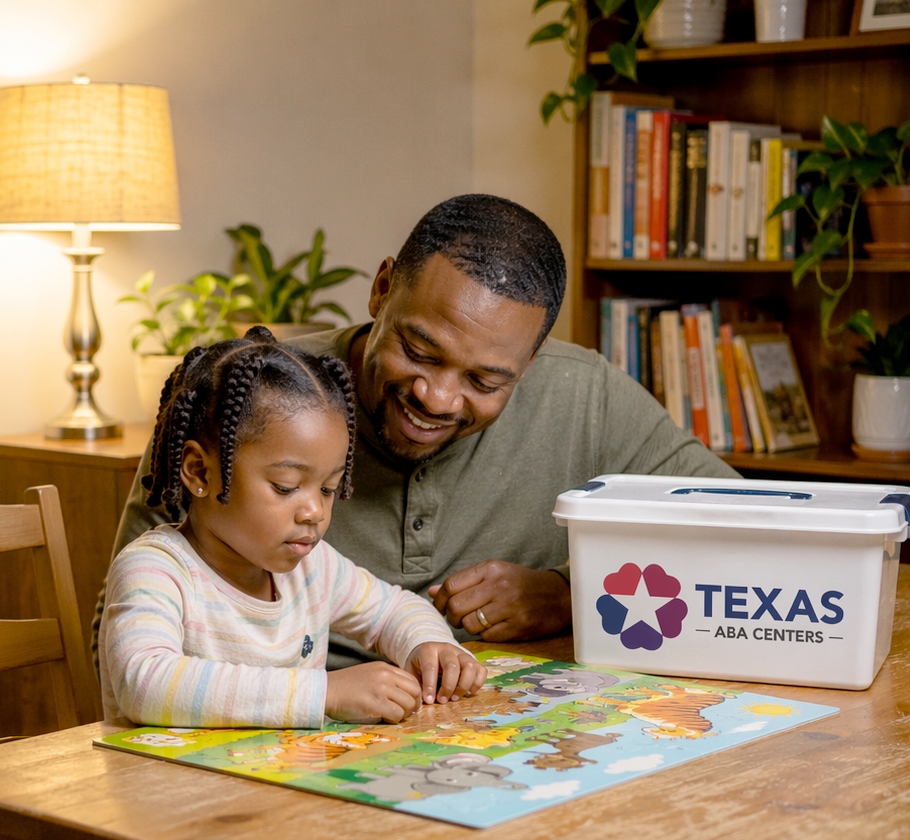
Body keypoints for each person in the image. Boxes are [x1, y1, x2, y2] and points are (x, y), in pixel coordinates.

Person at [101, 194, 736, 667]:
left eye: (485, 382)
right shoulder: (245, 400)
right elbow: (124, 639)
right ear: (381, 291)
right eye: (420, 350)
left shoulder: (584, 395)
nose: (436, 397)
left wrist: (573, 591)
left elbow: (744, 534)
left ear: (529, 367)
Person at [99, 327, 485, 728]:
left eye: (329, 488)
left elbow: (393, 609)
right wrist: (325, 692)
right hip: (170, 787)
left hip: (282, 782)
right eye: (286, 487)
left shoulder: (313, 567)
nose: (314, 512)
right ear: (200, 471)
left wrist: (429, 644)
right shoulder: (155, 570)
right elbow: (144, 684)